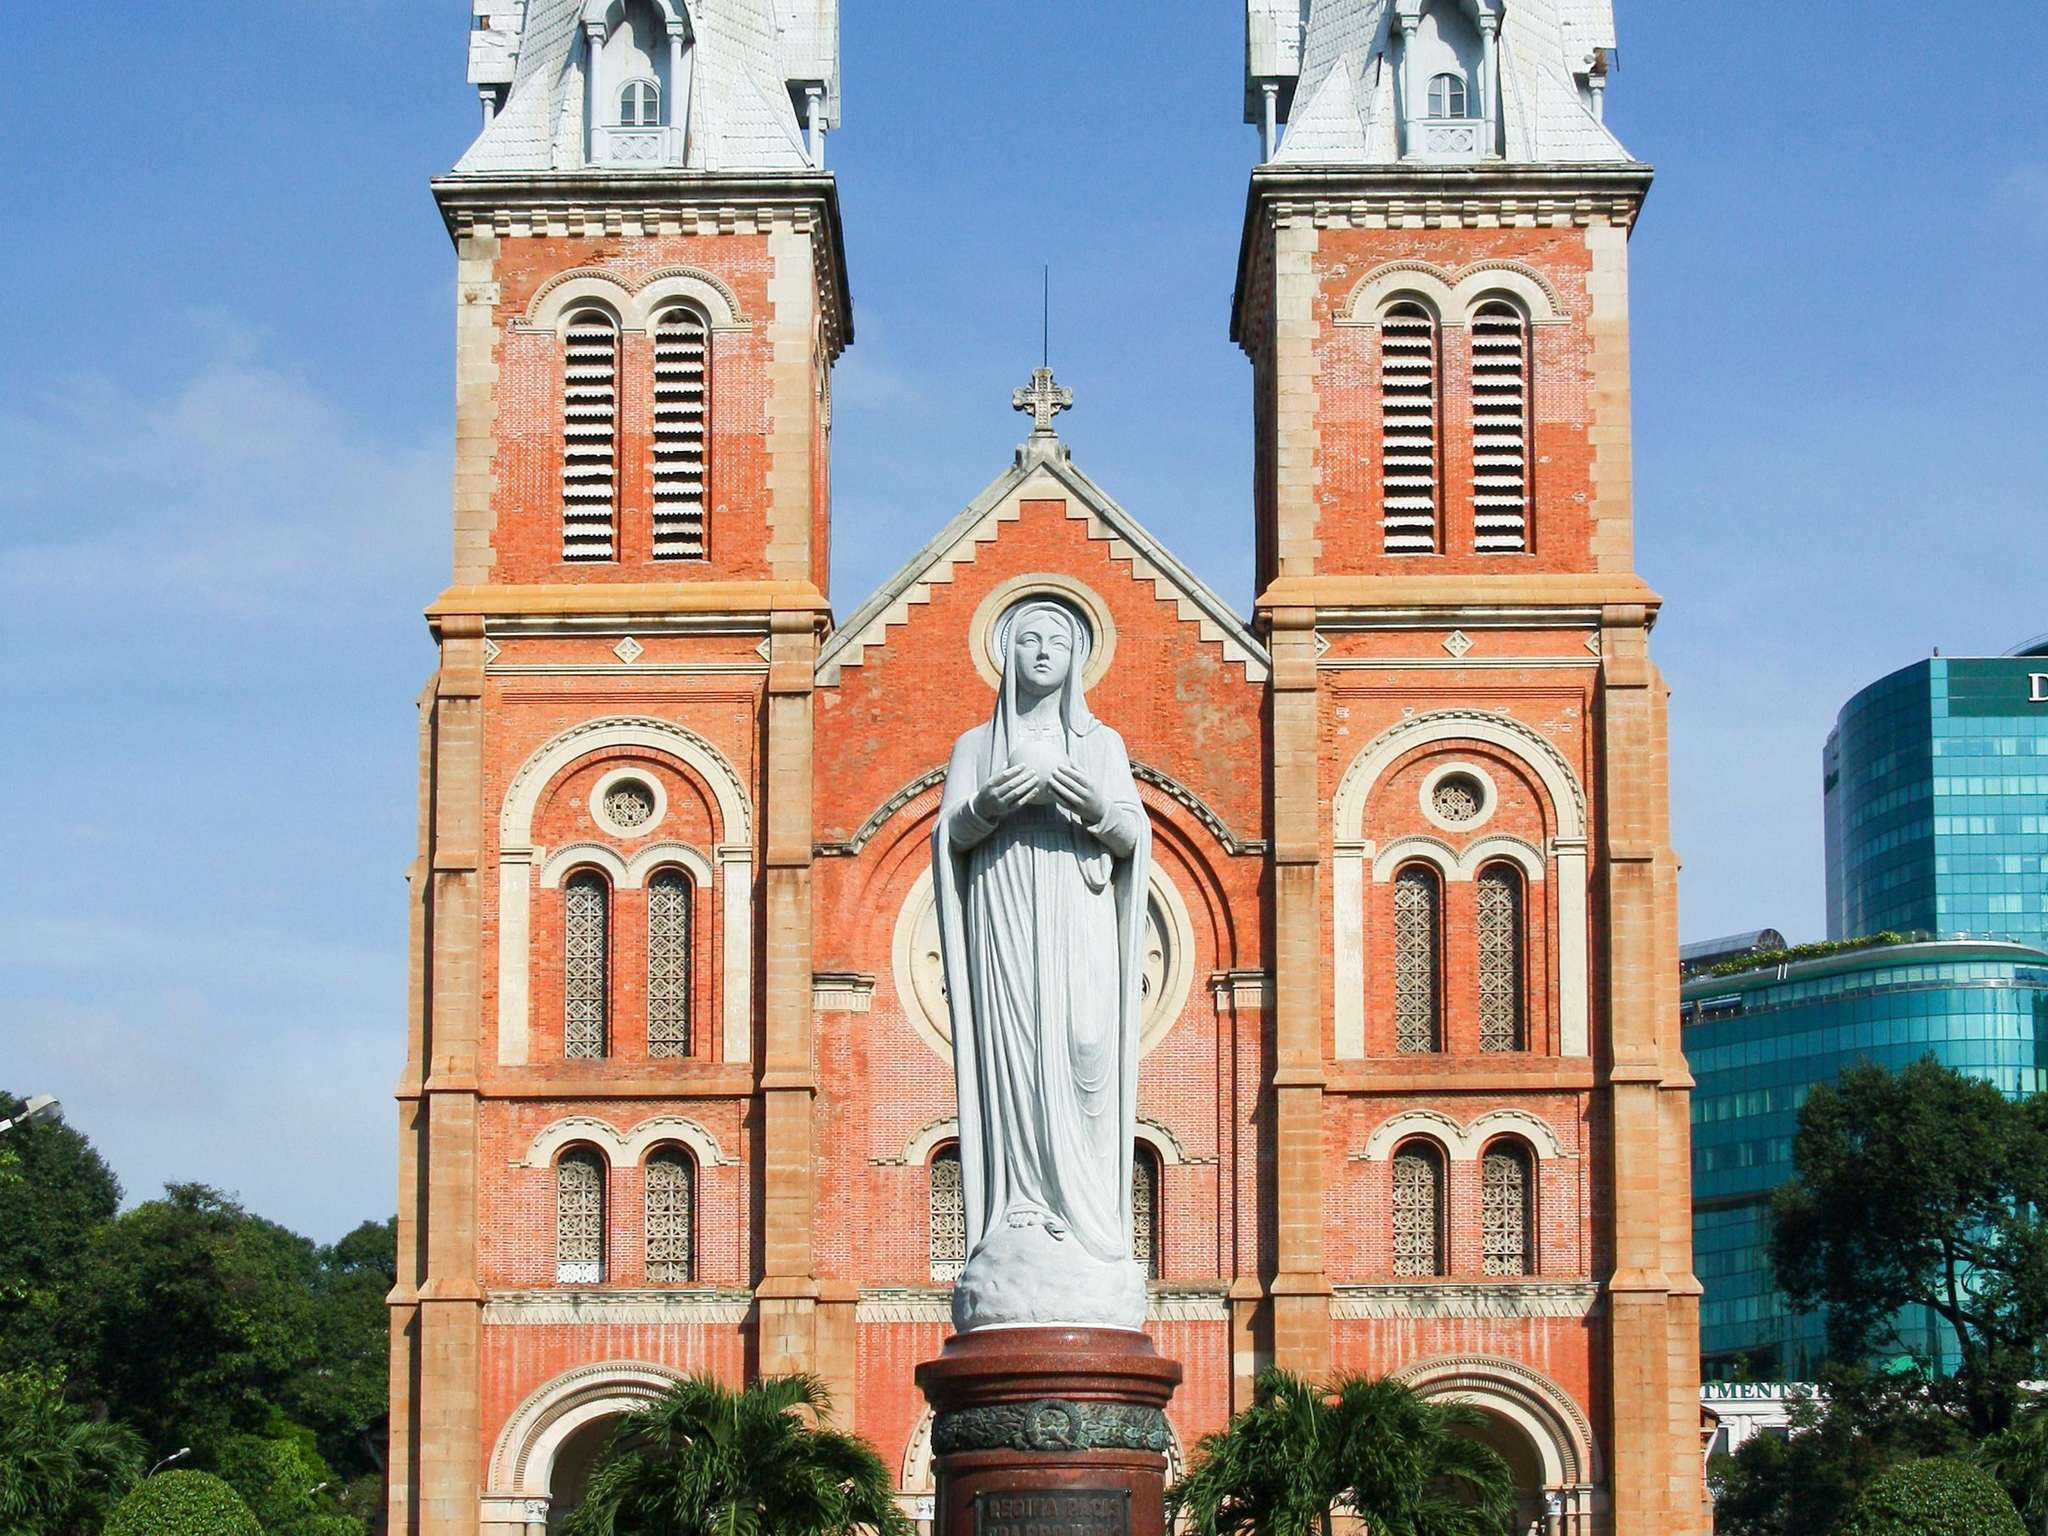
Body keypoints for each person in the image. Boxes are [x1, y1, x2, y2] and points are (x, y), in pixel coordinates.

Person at [931, 598, 1151, 1330]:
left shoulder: (1102, 744)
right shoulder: (975, 747)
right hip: (1006, 920)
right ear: (1008, 654)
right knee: (1018, 1060)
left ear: (1078, 656)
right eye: (1028, 638)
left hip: (1080, 919)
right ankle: (1022, 1206)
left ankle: (1087, 1220)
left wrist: (1097, 807)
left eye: (1058, 639)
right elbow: (950, 836)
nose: (1043, 650)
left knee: (1086, 1048)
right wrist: (987, 806)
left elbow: (1132, 837)